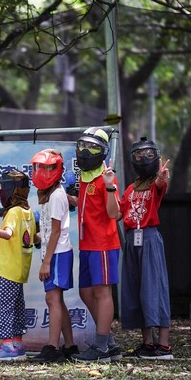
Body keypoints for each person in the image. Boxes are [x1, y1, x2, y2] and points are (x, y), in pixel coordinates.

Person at [119, 137, 173, 359]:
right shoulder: (130, 188)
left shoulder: (155, 185)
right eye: (138, 155)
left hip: (149, 238)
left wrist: (160, 178)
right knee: (136, 288)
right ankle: (148, 344)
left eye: (148, 154)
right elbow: (118, 213)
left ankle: (164, 345)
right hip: (132, 239)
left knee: (155, 287)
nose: (143, 159)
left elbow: (160, 187)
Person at [71, 127, 121, 363]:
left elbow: (114, 213)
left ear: (102, 152)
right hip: (87, 244)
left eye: (92, 147)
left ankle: (101, 347)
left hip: (103, 243)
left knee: (102, 292)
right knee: (85, 292)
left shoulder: (106, 178)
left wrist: (110, 186)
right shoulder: (84, 177)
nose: (85, 151)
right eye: (82, 146)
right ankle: (109, 343)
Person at [28, 149, 79, 363]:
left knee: (52, 298)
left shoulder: (57, 195)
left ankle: (52, 347)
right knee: (56, 299)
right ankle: (69, 346)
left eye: (50, 167)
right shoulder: (50, 194)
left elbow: (57, 231)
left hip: (57, 253)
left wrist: (46, 262)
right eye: (42, 167)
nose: (45, 172)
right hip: (53, 251)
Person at [0, 169, 35, 362]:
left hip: (7, 268)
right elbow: (33, 238)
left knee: (1, 305)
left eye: (4, 187)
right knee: (16, 306)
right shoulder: (27, 211)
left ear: (11, 190)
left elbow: (8, 234)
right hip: (20, 269)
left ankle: (7, 346)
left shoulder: (13, 212)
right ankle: (17, 344)